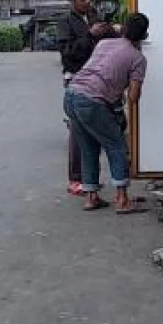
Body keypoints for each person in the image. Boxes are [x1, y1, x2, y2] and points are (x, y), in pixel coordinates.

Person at [63, 12, 149, 214]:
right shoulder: (138, 58)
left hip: (71, 94)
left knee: (88, 147)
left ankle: (91, 197)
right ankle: (122, 199)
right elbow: (133, 97)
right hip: (93, 101)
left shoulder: (104, 44)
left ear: (125, 28)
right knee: (116, 146)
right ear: (144, 36)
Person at [56, 0, 118, 196]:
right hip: (78, 78)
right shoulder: (65, 23)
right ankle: (76, 178)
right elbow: (68, 54)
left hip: (100, 77)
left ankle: (92, 179)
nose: (87, 2)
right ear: (72, 0)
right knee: (78, 130)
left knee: (100, 128)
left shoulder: (93, 16)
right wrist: (90, 35)